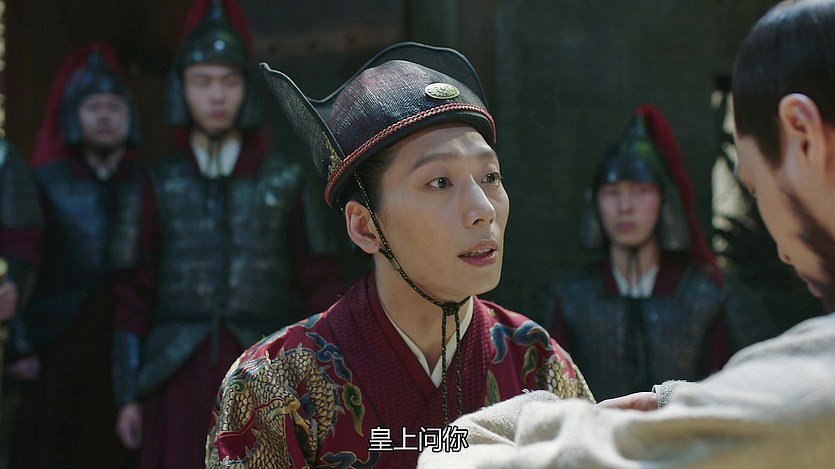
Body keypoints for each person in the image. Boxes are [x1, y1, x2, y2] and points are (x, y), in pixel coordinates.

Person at [417, 1, 835, 467]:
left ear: (804, 136)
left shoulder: (716, 305)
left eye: (755, 187)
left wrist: (513, 424)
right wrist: (677, 403)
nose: (479, 210)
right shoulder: (569, 297)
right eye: (614, 194)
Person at [205, 41, 594, 469]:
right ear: (365, 226)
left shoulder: (535, 360)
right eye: (440, 182)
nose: (483, 210)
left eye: (490, 176)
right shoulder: (275, 382)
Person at [111, 1, 347, 467]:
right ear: (182, 89)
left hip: (266, 371)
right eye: (202, 82)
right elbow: (132, 295)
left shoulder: (284, 181)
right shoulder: (157, 184)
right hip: (175, 375)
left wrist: (322, 380)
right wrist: (127, 395)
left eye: (229, 81)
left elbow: (321, 283)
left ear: (246, 90)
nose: (216, 95)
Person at [539, 105, 774, 400]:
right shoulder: (567, 297)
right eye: (612, 193)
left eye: (641, 191)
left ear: (664, 201)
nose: (625, 207)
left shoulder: (709, 298)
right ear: (595, 202)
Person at [8, 42, 142, 469]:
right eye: (92, 107)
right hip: (58, 343)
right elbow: (20, 263)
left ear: (129, 116)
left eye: (113, 107)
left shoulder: (146, 183)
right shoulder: (45, 182)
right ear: (74, 115)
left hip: (123, 341)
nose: (103, 116)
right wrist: (20, 346)